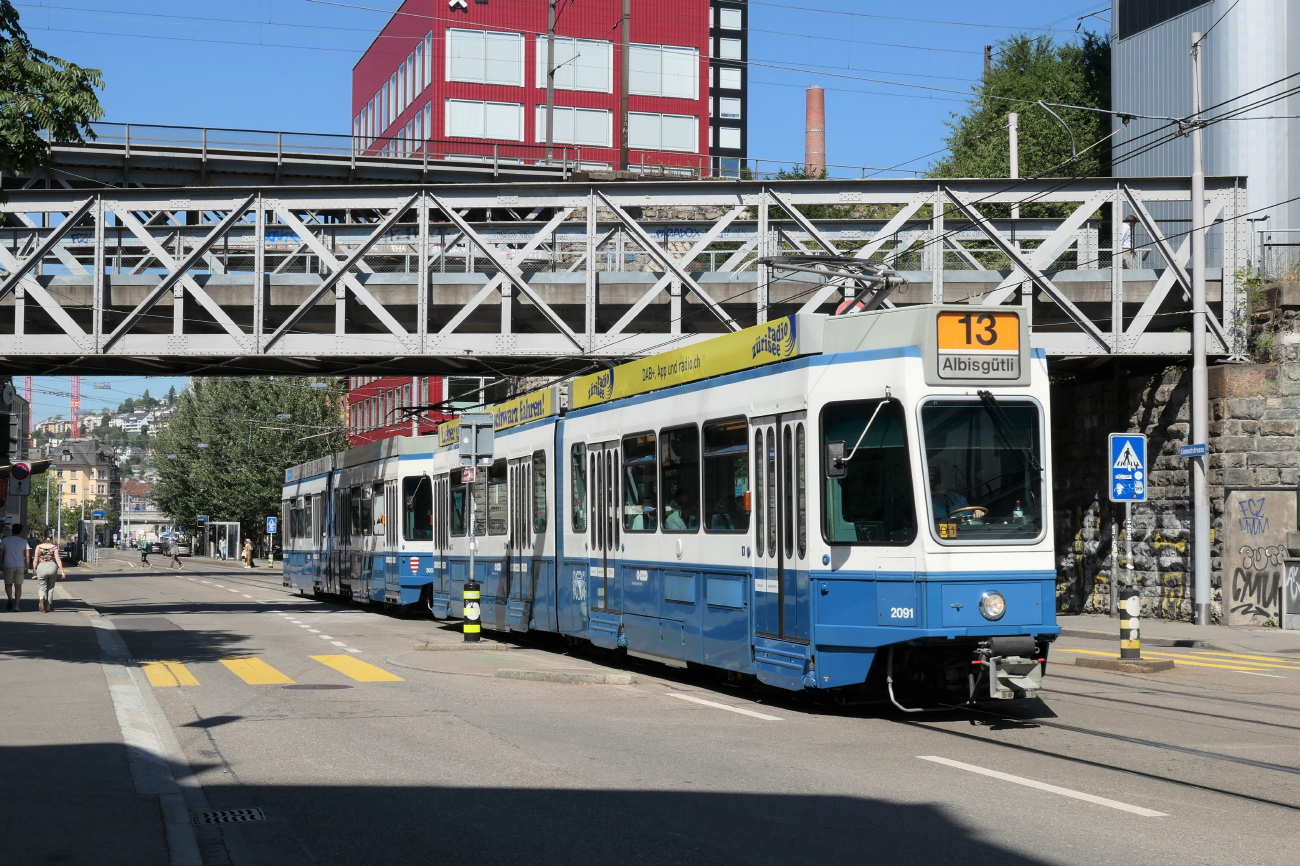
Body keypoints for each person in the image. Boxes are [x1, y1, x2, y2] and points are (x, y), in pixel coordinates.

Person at [2, 523, 31, 612]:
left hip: (8, 565)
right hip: (20, 565)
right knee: (18, 586)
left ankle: (10, 597)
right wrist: (27, 568)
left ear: (12, 531)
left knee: (8, 584)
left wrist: (0, 564)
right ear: (20, 531)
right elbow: (27, 555)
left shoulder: (5, 540)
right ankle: (17, 606)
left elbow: (0, 553)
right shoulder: (24, 541)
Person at [32, 534, 64, 612]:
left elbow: (35, 560)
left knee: (42, 586)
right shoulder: (54, 547)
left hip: (41, 567)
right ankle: (48, 606)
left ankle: (41, 597)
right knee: (50, 587)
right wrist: (62, 572)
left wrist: (34, 571)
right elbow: (58, 559)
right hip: (52, 567)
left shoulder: (38, 547)